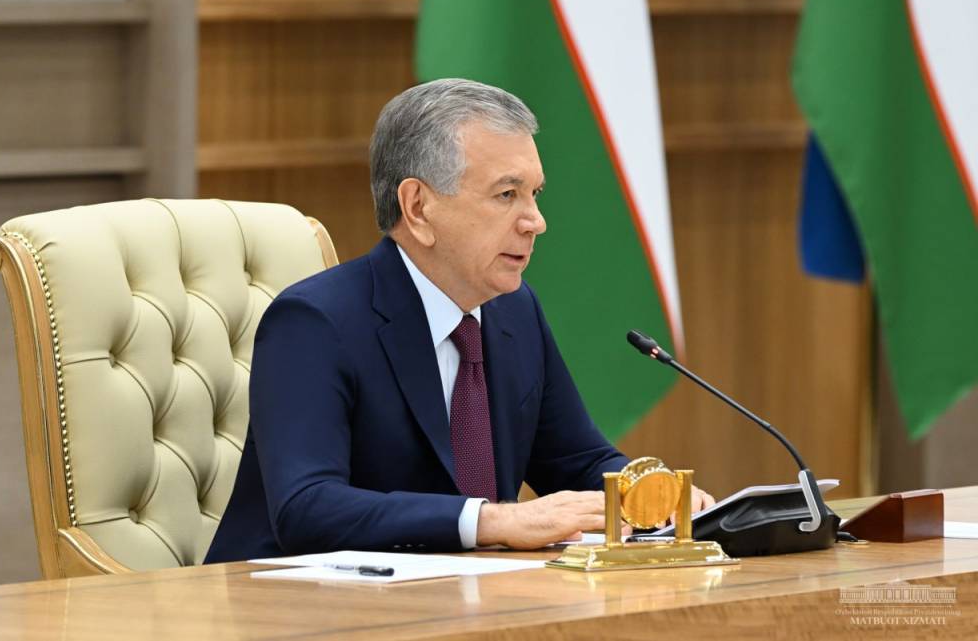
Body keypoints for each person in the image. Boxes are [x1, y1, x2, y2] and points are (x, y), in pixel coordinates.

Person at [205, 79, 713, 562]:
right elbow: (307, 508)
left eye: (535, 194)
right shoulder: (315, 322)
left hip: (461, 596)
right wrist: (491, 521)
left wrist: (654, 493)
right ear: (418, 207)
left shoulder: (514, 310)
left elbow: (577, 462)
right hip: (293, 601)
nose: (536, 222)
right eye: (507, 195)